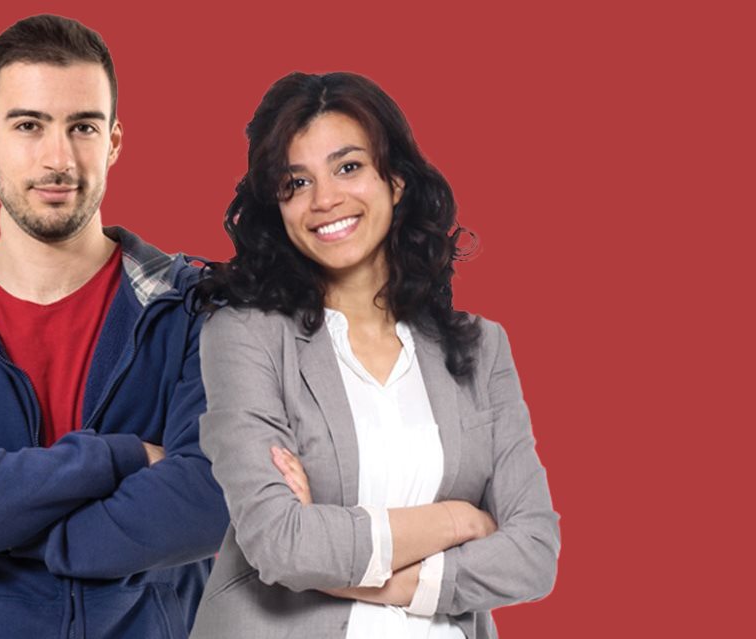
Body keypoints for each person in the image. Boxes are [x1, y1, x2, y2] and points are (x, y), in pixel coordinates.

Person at [0, 15, 228, 639]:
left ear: (113, 141)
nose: (58, 158)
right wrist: (121, 457)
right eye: (28, 125)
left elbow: (214, 495)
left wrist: (9, 530)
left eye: (82, 127)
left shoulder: (193, 308)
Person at [189, 71, 559, 639]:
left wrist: (358, 571)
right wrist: (459, 520)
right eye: (296, 182)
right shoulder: (246, 339)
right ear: (277, 206)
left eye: (348, 167)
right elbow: (282, 544)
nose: (325, 199)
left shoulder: (482, 349)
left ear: (397, 182)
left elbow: (533, 552)